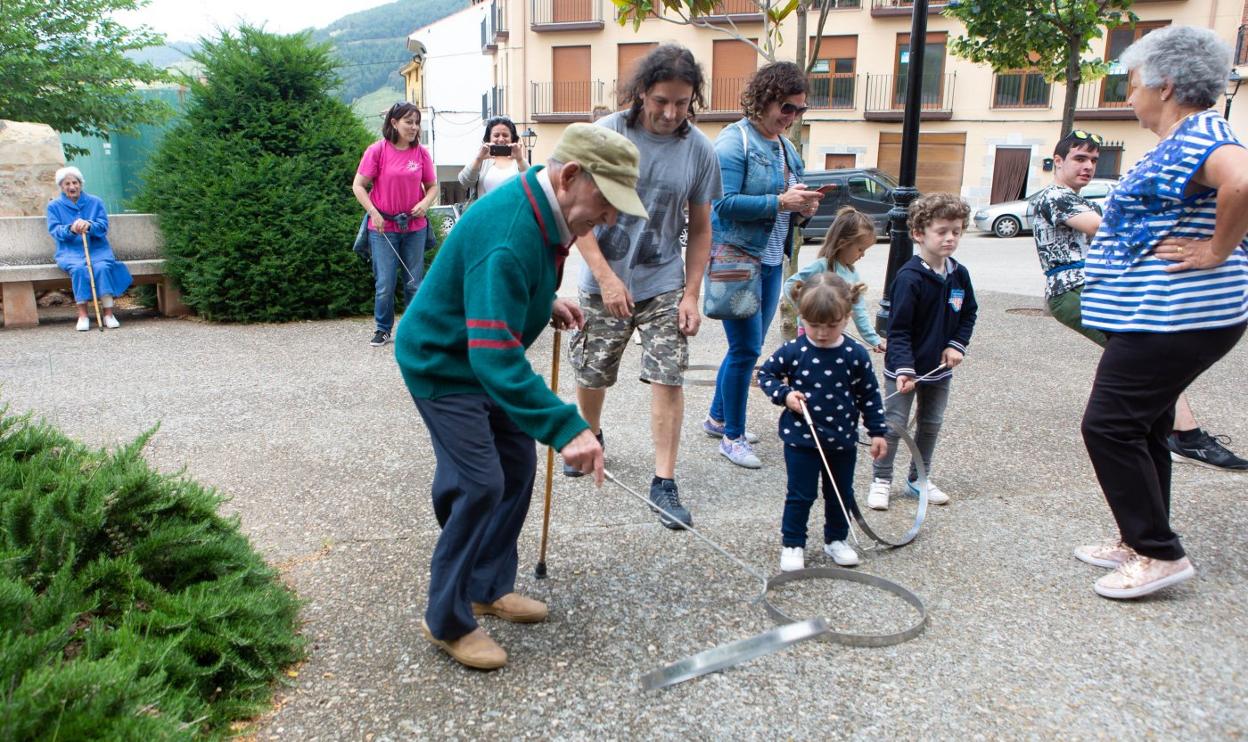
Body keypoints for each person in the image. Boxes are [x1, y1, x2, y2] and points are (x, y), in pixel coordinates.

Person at [394, 123, 645, 670]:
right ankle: (447, 619)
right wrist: (567, 426)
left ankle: (487, 585)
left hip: (476, 354)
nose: (609, 218)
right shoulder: (511, 229)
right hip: (443, 363)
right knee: (479, 482)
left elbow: (501, 286)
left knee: (515, 464)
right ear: (572, 176)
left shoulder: (543, 202)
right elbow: (494, 358)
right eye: (607, 202)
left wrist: (543, 299)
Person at [1073, 26, 1248, 600]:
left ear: (1165, 84)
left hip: (1177, 316)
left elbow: (1242, 181)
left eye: (1131, 83)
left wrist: (1217, 250)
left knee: (1109, 426)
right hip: (1163, 314)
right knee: (1144, 424)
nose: (1128, 95)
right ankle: (1139, 537)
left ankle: (1157, 553)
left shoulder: (1202, 135)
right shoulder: (1183, 139)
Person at [561, 44, 720, 530]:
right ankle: (589, 437)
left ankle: (664, 483)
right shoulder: (607, 134)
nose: (671, 113)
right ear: (641, 94)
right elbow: (572, 211)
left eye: (681, 102)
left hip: (664, 280)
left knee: (668, 374)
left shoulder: (700, 151)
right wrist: (607, 277)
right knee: (592, 372)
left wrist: (692, 293)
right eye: (660, 101)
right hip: (603, 278)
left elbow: (702, 229)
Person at [1032, 130, 1248, 471]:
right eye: (1079, 158)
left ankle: (1169, 431)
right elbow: (1104, 229)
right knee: (1148, 356)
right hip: (1074, 292)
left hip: (1095, 289)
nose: (1088, 166)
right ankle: (1184, 435)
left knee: (1150, 360)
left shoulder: (1080, 197)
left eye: (1092, 160)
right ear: (1057, 161)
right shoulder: (1053, 197)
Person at [704, 61, 824, 470]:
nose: (792, 118)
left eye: (800, 110)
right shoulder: (732, 143)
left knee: (742, 348)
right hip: (735, 259)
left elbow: (791, 205)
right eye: (787, 108)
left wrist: (804, 206)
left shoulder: (786, 148)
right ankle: (733, 437)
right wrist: (780, 202)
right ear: (764, 100)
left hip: (772, 259)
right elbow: (722, 205)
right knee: (746, 350)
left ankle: (719, 417)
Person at [757, 272, 887, 572]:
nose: (822, 333)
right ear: (802, 316)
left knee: (841, 491)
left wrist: (877, 431)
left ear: (847, 316)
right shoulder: (795, 350)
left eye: (831, 325)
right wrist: (785, 395)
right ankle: (793, 543)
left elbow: (869, 394)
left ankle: (836, 539)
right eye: (813, 325)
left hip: (842, 439)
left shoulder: (855, 355)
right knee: (800, 493)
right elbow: (766, 375)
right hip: (801, 439)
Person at [868, 193, 976, 510]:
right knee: (894, 425)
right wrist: (904, 369)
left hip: (939, 369)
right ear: (919, 233)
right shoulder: (909, 278)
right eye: (941, 231)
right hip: (905, 369)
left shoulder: (959, 274)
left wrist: (957, 345)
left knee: (931, 423)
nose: (950, 238)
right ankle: (881, 480)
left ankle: (919, 479)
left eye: (956, 231)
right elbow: (898, 331)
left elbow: (968, 313)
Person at [353, 101, 439, 347]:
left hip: (415, 227)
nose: (413, 127)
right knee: (385, 283)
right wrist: (373, 212)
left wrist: (425, 203)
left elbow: (433, 187)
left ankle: (413, 330)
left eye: (416, 122)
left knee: (414, 281)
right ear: (394, 122)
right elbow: (358, 186)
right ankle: (382, 328)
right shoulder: (377, 151)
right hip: (383, 228)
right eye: (408, 122)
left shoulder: (421, 153)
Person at [783, 206, 885, 351]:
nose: (862, 255)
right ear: (843, 243)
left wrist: (874, 340)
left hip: (835, 335)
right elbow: (790, 284)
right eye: (860, 249)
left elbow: (859, 310)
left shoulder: (853, 274)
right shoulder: (821, 265)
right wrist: (806, 310)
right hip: (809, 335)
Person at [46, 167, 132, 331]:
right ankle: (83, 315)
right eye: (67, 184)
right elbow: (55, 230)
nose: (72, 187)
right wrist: (71, 229)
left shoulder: (95, 202)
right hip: (70, 252)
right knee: (78, 269)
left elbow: (103, 226)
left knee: (102, 267)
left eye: (75, 182)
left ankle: (108, 314)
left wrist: (90, 225)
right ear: (61, 187)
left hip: (98, 250)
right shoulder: (54, 206)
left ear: (80, 184)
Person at [458, 115, 529, 200]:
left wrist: (520, 159)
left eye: (505, 135)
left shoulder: (518, 160)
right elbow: (465, 182)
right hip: (487, 212)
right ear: (489, 138)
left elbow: (531, 183)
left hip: (515, 212)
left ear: (512, 138)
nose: (501, 139)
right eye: (496, 135)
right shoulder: (482, 160)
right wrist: (478, 159)